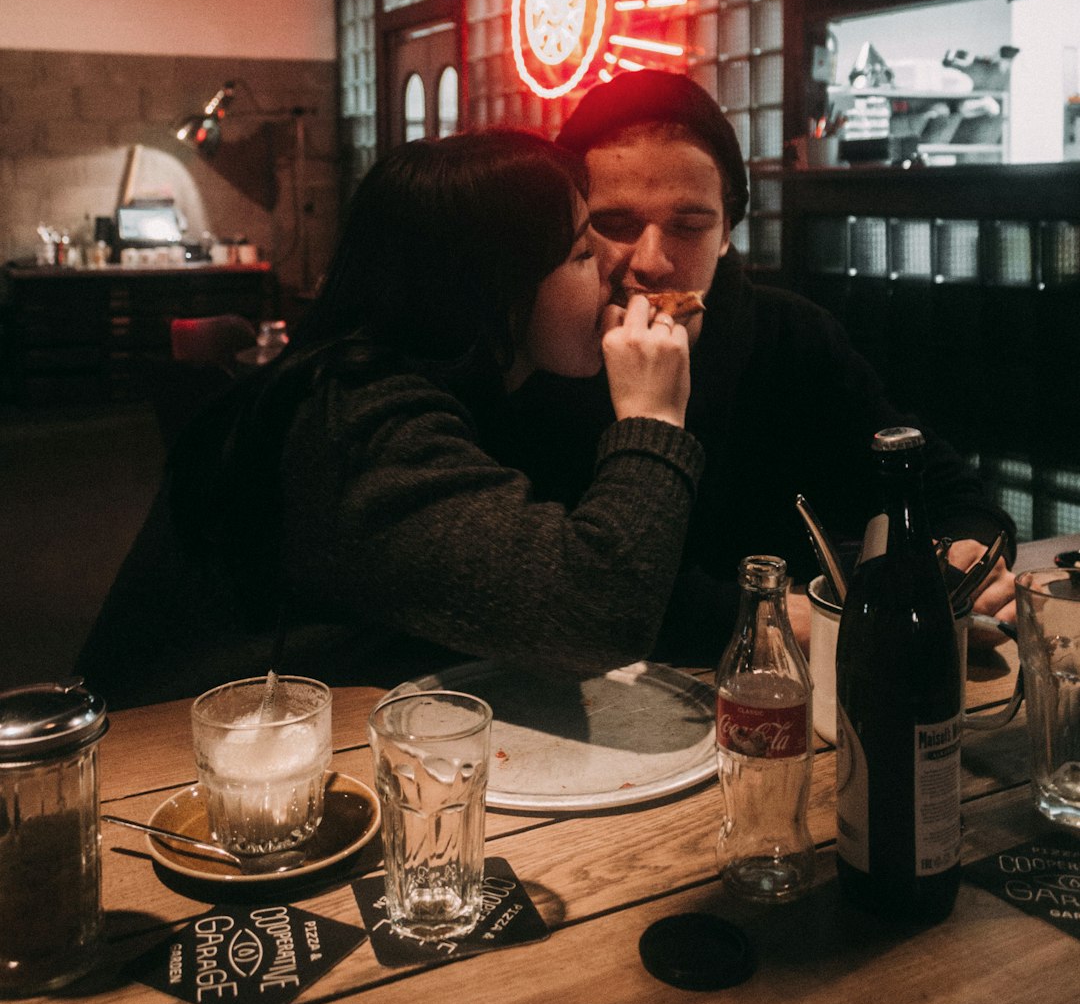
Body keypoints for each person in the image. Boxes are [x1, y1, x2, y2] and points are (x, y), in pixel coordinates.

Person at [77, 129, 704, 707]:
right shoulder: (359, 424)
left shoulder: (436, 387)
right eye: (579, 253)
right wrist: (653, 418)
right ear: (489, 286)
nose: (620, 273)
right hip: (175, 776)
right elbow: (594, 617)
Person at [504, 69, 1017, 657]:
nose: (652, 262)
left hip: (797, 698)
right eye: (613, 225)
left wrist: (970, 547)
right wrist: (770, 614)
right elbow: (562, 587)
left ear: (726, 235)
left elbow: (935, 482)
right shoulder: (543, 360)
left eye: (690, 227)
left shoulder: (791, 335)